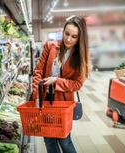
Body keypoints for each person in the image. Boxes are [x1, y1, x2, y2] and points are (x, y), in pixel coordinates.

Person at [31, 15, 90, 153]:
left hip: (63, 105)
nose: (69, 39)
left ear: (80, 38)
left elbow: (77, 84)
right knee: (49, 141)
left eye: (74, 36)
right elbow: (38, 71)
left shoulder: (80, 57)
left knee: (65, 141)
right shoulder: (50, 47)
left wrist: (56, 81)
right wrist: (36, 95)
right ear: (62, 31)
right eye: (67, 34)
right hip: (45, 101)